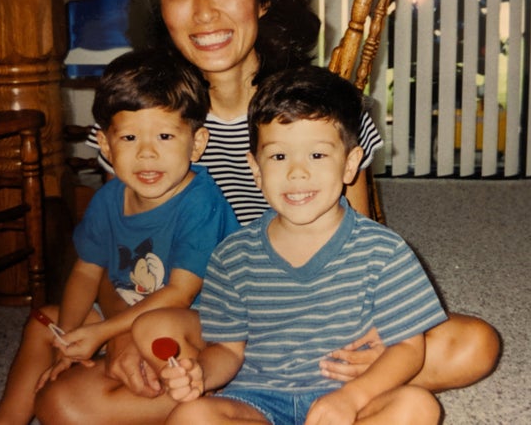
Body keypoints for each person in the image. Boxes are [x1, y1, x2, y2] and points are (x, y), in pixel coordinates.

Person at [35, 0, 499, 424]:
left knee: (474, 345)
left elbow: (362, 238)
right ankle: (235, 398)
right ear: (160, 9)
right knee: (62, 406)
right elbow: (112, 249)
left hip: (323, 325)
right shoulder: (147, 124)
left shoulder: (314, 112)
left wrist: (378, 338)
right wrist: (120, 339)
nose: (204, 11)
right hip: (207, 327)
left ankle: (302, 396)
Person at [0, 49, 239, 425]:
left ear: (197, 142)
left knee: (143, 341)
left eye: (166, 135)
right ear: (106, 146)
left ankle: (204, 392)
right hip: (126, 314)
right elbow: (87, 273)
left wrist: (102, 332)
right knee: (46, 319)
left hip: (195, 333)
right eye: (129, 137)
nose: (147, 153)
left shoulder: (201, 202)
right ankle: (3, 420)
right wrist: (69, 341)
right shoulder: (107, 199)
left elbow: (180, 294)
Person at [136, 65, 446, 425]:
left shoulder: (385, 251)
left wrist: (350, 399)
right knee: (192, 415)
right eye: (279, 157)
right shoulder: (232, 255)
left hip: (351, 399)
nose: (297, 172)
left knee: (417, 406)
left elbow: (408, 348)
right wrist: (201, 372)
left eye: (317, 155)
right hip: (256, 401)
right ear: (255, 169)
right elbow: (227, 349)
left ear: (349, 165)